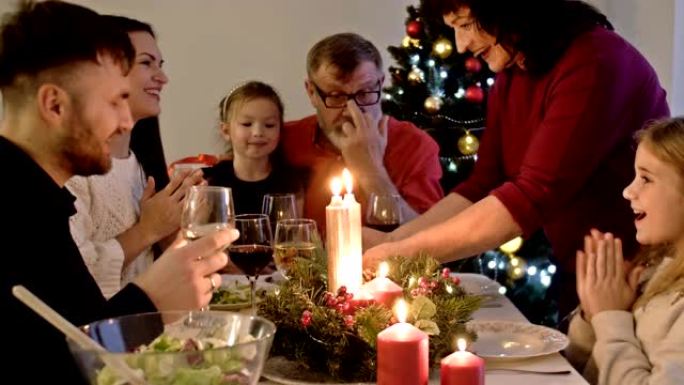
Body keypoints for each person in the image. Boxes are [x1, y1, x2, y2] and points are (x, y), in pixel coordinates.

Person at [363, 0, 669, 319]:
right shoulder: (516, 69)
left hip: (641, 279)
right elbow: (484, 183)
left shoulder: (595, 60)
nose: (461, 45)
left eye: (465, 25)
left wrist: (402, 254)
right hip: (588, 276)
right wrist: (394, 241)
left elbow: (532, 195)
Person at [0, 2, 235, 383]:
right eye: (115, 101)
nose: (126, 121)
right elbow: (67, 366)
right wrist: (151, 301)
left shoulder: (42, 198)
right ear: (54, 104)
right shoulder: (14, 208)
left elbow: (76, 328)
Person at [66, 15, 202, 299]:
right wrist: (147, 230)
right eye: (146, 63)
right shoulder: (73, 172)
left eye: (160, 65)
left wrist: (178, 227)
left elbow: (158, 269)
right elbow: (75, 279)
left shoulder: (142, 165)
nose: (162, 78)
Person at [281, 32, 443, 231]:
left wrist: (370, 170)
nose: (352, 110)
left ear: (381, 83)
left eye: (365, 93)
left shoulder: (415, 146)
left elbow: (428, 241)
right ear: (311, 92)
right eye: (336, 96)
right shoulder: (283, 139)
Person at [566, 117, 684, 385]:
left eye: (646, 178)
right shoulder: (654, 271)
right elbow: (576, 369)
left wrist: (609, 317)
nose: (628, 191)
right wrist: (593, 312)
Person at [203, 81, 306, 215]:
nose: (258, 132)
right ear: (226, 131)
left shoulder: (289, 181)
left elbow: (292, 231)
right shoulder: (212, 182)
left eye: (269, 125)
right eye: (247, 124)